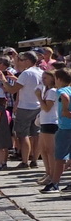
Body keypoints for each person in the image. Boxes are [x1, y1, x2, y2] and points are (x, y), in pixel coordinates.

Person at [12, 51, 45, 170]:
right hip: (38, 106)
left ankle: (25, 161)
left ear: (27, 61)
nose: (20, 62)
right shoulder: (42, 72)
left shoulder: (26, 73)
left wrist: (4, 81)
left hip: (25, 107)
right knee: (36, 135)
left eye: (22, 60)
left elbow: (13, 90)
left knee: (23, 134)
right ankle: (35, 160)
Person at [43, 66, 71, 194]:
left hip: (65, 128)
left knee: (60, 157)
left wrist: (65, 109)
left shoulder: (61, 90)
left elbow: (64, 97)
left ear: (59, 79)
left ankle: (54, 183)